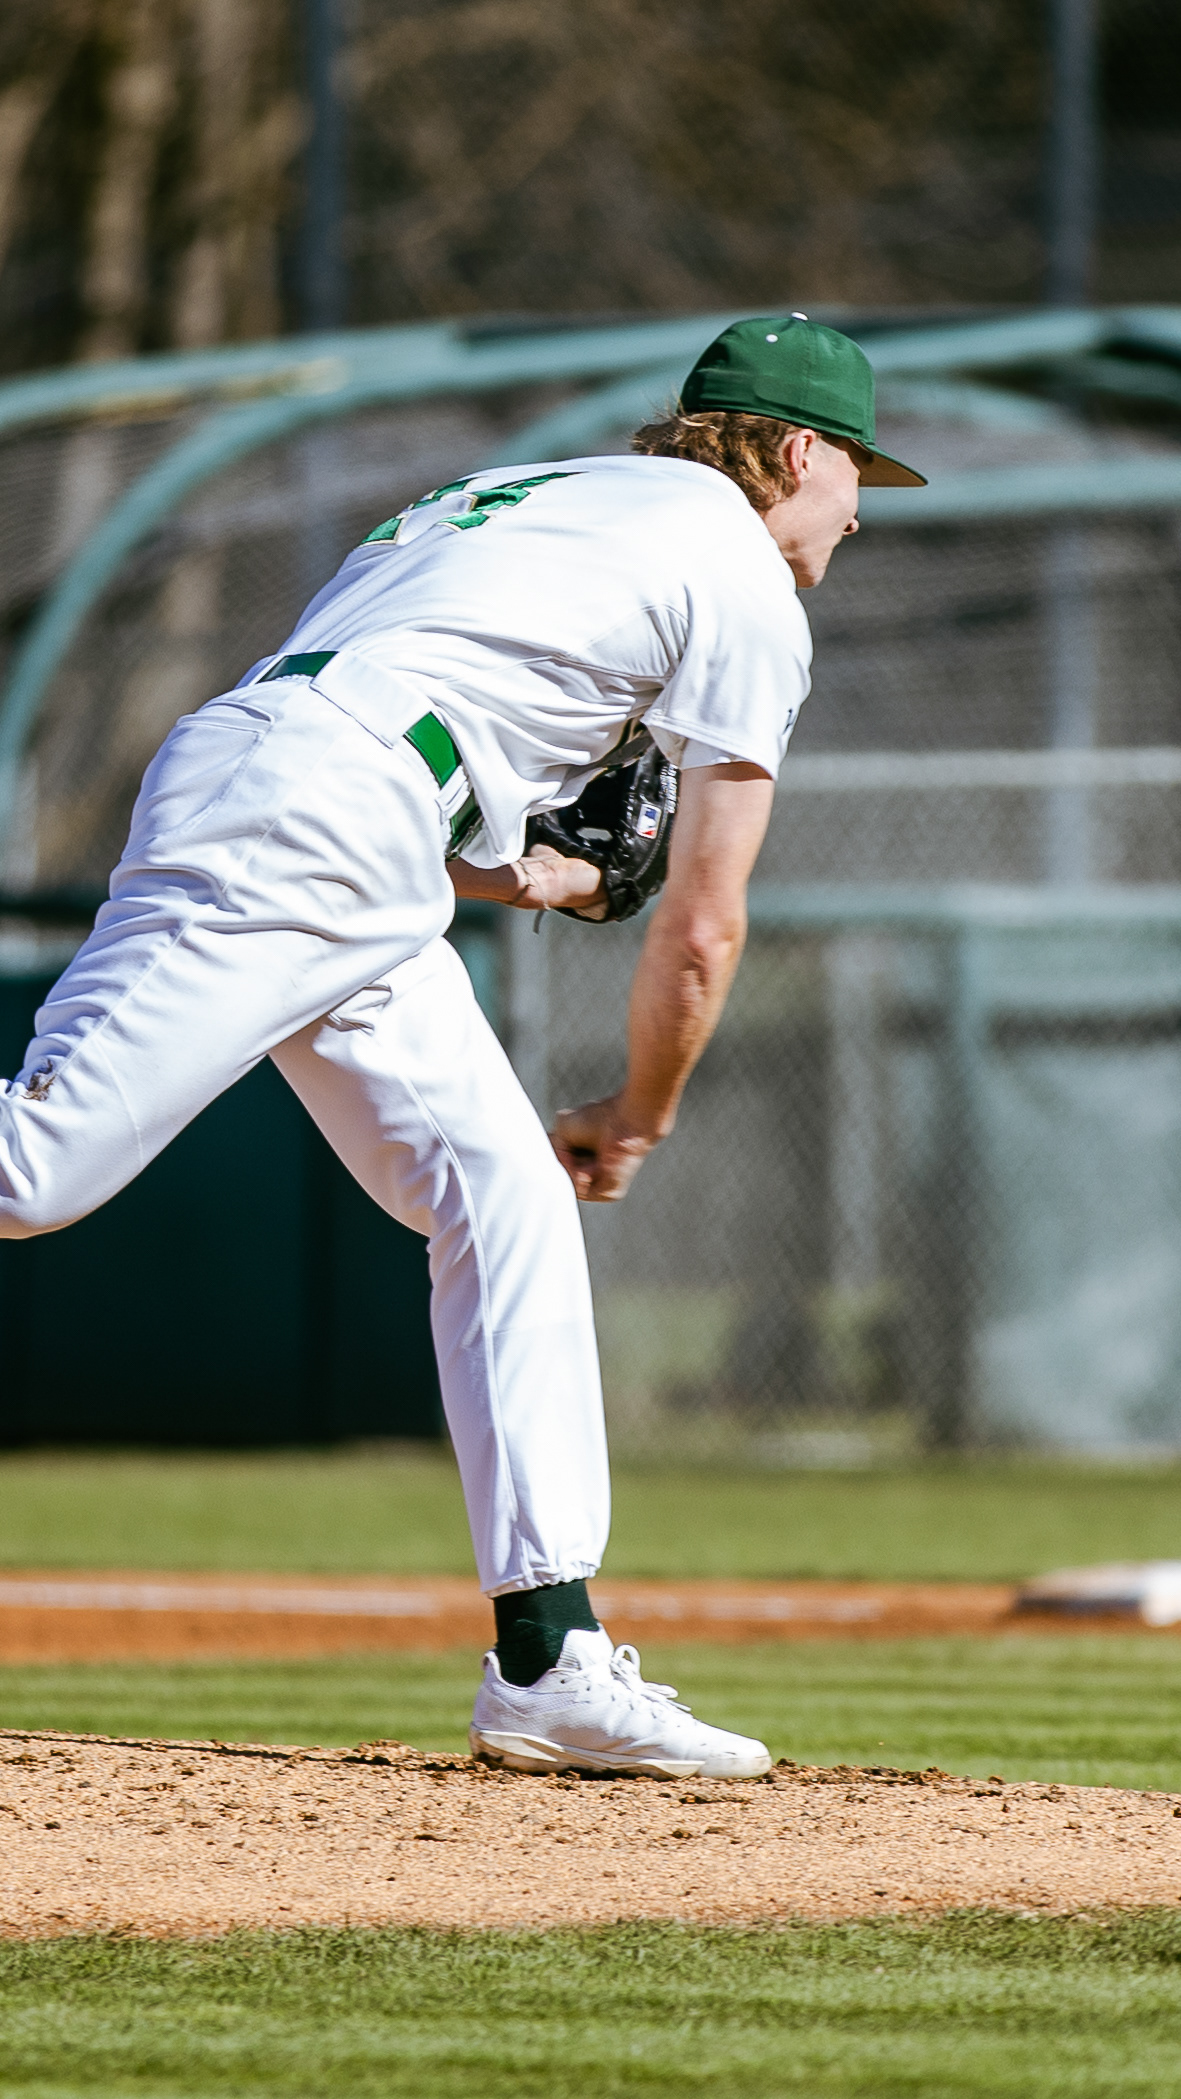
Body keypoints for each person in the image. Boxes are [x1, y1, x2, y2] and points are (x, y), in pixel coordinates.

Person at [0, 316, 923, 1777]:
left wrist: (540, 875)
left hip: (327, 810)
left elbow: (387, 741)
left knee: (503, 1196)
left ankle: (550, 1658)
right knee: (33, 1172)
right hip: (314, 817)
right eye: (857, 473)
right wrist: (640, 1107)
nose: (858, 511)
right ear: (798, 451)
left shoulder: (522, 494)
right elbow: (702, 929)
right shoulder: (741, 576)